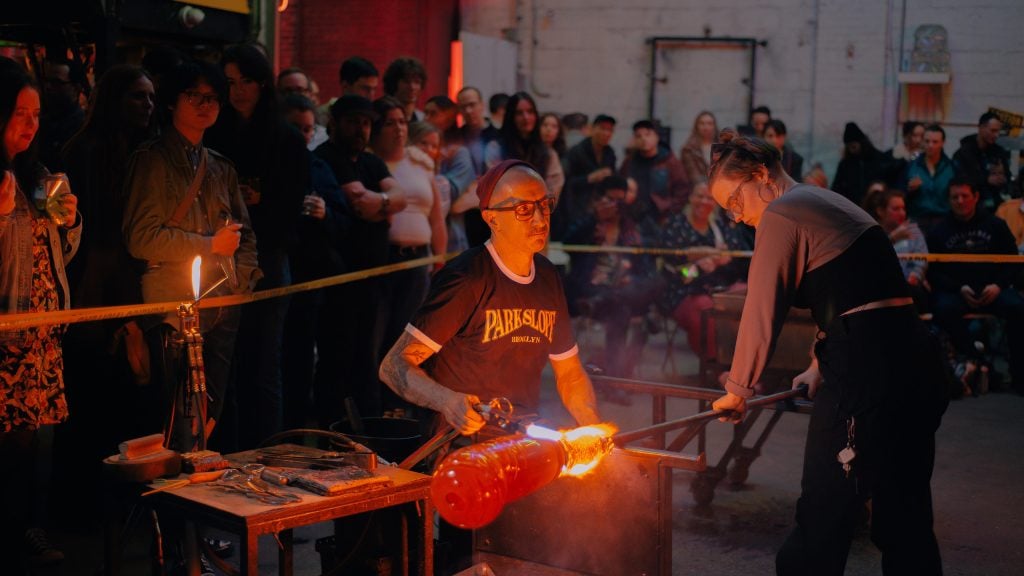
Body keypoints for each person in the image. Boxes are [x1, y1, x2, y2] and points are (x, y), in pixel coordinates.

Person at [707, 132, 947, 575]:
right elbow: (852, 292)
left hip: (865, 373)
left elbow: (763, 309)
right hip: (913, 361)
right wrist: (818, 365)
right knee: (905, 514)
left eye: (735, 201)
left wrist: (737, 389)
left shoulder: (781, 212)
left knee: (824, 512)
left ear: (761, 175)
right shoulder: (824, 201)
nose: (737, 217)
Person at [379, 159, 600, 436]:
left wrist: (592, 427)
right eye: (523, 209)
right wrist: (447, 401)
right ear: (491, 217)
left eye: (545, 205)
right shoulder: (466, 279)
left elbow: (570, 374)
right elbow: (393, 366)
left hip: (520, 438)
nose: (540, 219)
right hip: (459, 445)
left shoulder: (547, 277)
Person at [122, 59, 260, 453]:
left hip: (222, 302)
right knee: (172, 415)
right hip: (171, 304)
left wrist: (241, 281)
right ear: (171, 101)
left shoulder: (219, 166)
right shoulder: (152, 160)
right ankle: (171, 506)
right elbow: (141, 238)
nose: (205, 105)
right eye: (194, 96)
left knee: (210, 411)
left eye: (213, 98)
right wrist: (208, 245)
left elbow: (245, 234)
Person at [206, 44, 309, 449]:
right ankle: (227, 452)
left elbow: (288, 208)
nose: (237, 91)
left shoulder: (284, 138)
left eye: (245, 81)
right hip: (219, 257)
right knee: (222, 366)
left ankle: (268, 453)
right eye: (229, 82)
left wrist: (255, 206)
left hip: (267, 256)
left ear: (262, 83)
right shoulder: (218, 132)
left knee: (263, 363)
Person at [0, 58, 81, 572]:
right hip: (7, 328)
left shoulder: (35, 175)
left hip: (38, 332)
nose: (31, 124)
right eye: (19, 113)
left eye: (36, 114)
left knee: (28, 442)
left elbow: (56, 252)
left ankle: (20, 531)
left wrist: (70, 222)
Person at [313, 94, 406, 424]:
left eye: (366, 123)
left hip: (374, 279)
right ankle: (332, 427)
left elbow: (401, 198)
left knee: (369, 355)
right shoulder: (325, 158)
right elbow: (358, 203)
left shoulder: (371, 162)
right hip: (339, 279)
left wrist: (381, 203)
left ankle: (366, 425)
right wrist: (386, 205)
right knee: (338, 357)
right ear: (335, 123)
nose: (361, 129)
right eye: (353, 121)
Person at [371, 97, 447, 412]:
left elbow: (437, 217)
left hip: (418, 262)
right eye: (390, 122)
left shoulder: (420, 164)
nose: (399, 128)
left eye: (402, 121)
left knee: (411, 338)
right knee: (378, 337)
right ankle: (375, 408)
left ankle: (403, 407)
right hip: (382, 261)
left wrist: (439, 259)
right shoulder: (371, 163)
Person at [927, 177, 1024, 394]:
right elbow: (933, 271)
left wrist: (998, 285)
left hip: (993, 289)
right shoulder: (939, 230)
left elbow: (1013, 262)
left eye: (965, 196)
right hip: (958, 292)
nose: (960, 201)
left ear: (976, 197)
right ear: (949, 200)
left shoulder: (995, 225)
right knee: (942, 309)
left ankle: (1020, 376)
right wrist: (958, 287)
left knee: (1019, 309)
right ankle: (975, 362)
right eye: (955, 197)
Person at [564, 175, 662, 381]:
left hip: (622, 289)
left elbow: (646, 258)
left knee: (655, 282)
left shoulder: (630, 226)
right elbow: (567, 242)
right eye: (610, 199)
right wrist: (594, 219)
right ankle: (618, 381)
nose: (615, 206)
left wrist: (632, 277)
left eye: (620, 200)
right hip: (592, 288)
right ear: (600, 198)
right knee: (625, 312)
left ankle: (614, 379)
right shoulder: (588, 221)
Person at [659, 181, 749, 361]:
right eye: (699, 196)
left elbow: (735, 258)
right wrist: (697, 267)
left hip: (718, 286)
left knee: (747, 298)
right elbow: (674, 274)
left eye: (710, 198)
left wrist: (720, 261)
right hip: (682, 291)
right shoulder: (675, 226)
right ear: (691, 198)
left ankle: (744, 365)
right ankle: (716, 367)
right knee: (704, 310)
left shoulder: (720, 227)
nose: (704, 201)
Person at [485, 92, 564, 200]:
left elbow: (553, 190)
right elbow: (496, 186)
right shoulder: (496, 148)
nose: (526, 117)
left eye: (530, 112)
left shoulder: (548, 153)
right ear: (511, 116)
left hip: (538, 212)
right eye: (519, 113)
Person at [862, 184, 929, 310]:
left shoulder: (913, 230)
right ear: (880, 211)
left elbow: (921, 261)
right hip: (878, 289)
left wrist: (914, 277)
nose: (902, 213)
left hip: (909, 287)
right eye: (896, 209)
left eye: (903, 208)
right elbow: (869, 260)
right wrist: (892, 238)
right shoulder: (872, 232)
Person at [619, 119, 690, 227]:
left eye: (648, 134)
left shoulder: (670, 162)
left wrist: (670, 212)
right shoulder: (629, 162)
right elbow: (620, 186)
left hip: (661, 218)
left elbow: (682, 189)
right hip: (634, 218)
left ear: (656, 137)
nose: (644, 139)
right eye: (639, 136)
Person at [559, 113, 617, 240]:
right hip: (576, 209)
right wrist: (589, 179)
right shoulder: (577, 152)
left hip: (600, 209)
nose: (606, 133)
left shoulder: (610, 153)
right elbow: (566, 183)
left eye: (610, 130)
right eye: (603, 128)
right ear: (592, 129)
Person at [953, 112, 1011, 211]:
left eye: (998, 132)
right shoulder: (963, 154)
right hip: (971, 208)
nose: (996, 135)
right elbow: (959, 180)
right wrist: (986, 179)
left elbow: (1008, 176)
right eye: (993, 131)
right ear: (981, 128)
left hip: (996, 207)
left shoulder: (999, 152)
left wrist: (1003, 178)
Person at [904, 124, 955, 234]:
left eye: (935, 142)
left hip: (944, 219)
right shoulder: (912, 165)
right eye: (927, 141)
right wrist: (909, 189)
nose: (930, 145)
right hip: (917, 219)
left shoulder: (952, 167)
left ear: (942, 143)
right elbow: (900, 192)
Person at [832, 121, 885, 207]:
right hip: (851, 206)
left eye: (853, 146)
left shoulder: (877, 159)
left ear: (861, 143)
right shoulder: (845, 164)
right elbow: (836, 187)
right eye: (849, 147)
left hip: (873, 205)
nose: (852, 150)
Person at [383, 56, 426, 122]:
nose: (412, 87)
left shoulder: (423, 119)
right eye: (406, 81)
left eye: (417, 82)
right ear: (394, 83)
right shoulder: (381, 116)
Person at [679, 110, 718, 184]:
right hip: (697, 191)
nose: (706, 127)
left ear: (714, 126)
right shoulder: (688, 149)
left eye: (710, 123)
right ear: (696, 126)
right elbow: (693, 176)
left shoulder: (723, 148)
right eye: (702, 123)